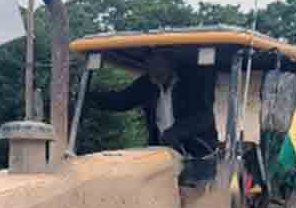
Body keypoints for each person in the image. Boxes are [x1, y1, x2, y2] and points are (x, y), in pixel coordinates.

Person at [86, 52, 218, 159]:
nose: (154, 72)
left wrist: (175, 132)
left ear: (171, 63)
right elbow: (122, 101)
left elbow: (204, 117)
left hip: (198, 153)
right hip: (160, 153)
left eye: (158, 66)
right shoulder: (147, 84)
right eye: (150, 66)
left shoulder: (193, 83)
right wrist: (90, 99)